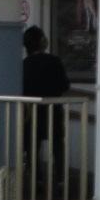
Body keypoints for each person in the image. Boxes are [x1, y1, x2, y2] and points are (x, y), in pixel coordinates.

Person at [22, 26, 69, 188]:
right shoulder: (54, 61)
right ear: (42, 41)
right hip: (53, 109)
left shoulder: (24, 65)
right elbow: (64, 85)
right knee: (57, 144)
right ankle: (61, 180)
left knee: (32, 146)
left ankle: (37, 180)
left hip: (30, 111)